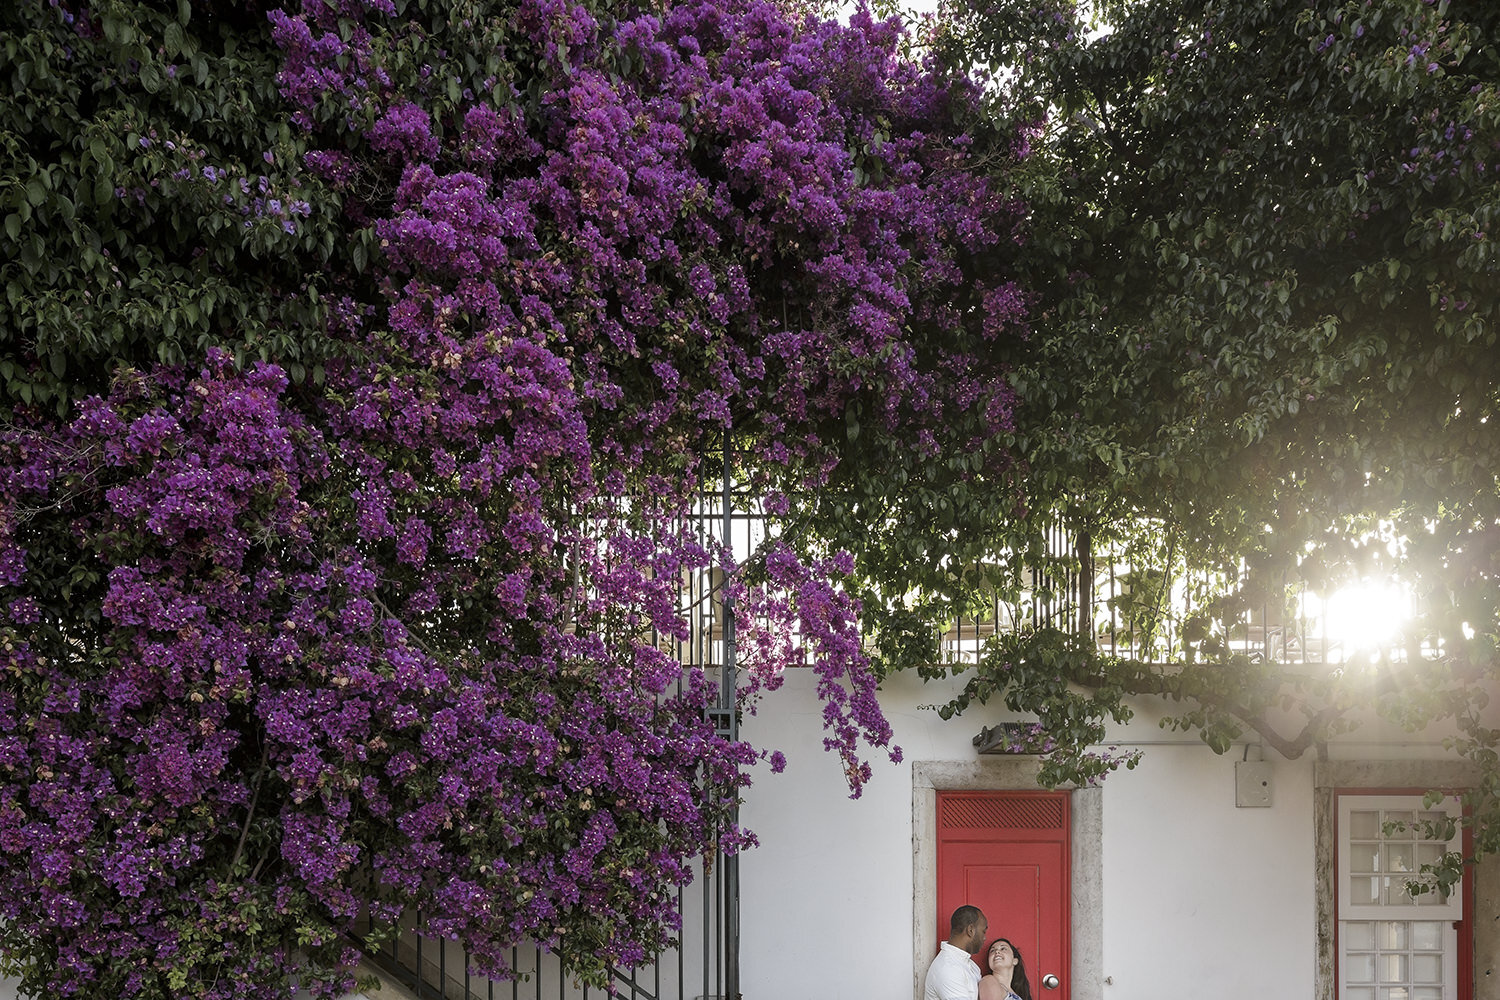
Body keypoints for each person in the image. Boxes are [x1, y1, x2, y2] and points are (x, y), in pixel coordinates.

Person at [923, 905, 988, 1000]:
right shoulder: (947, 968)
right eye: (983, 931)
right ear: (971, 930)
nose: (984, 938)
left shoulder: (971, 966)